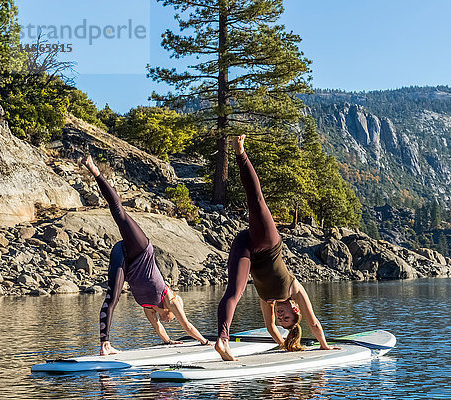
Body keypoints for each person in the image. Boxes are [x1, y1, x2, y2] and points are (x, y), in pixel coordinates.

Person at [215, 135, 340, 361]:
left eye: (282, 319)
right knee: (256, 200)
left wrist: (284, 344)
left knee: (233, 293)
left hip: (245, 248)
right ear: (295, 310)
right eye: (287, 317)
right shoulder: (295, 289)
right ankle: (240, 152)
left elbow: (270, 327)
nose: (282, 316)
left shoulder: (267, 302)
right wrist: (324, 346)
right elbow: (313, 322)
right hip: (268, 243)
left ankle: (222, 341)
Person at [82, 155, 209, 356]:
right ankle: (95, 170)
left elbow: (159, 329)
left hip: (123, 257)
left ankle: (104, 345)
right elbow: (187, 326)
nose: (171, 320)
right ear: (170, 311)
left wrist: (169, 342)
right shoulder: (171, 300)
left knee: (112, 297)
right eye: (172, 318)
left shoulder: (150, 309)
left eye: (171, 320)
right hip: (140, 250)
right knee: (120, 214)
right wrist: (205, 342)